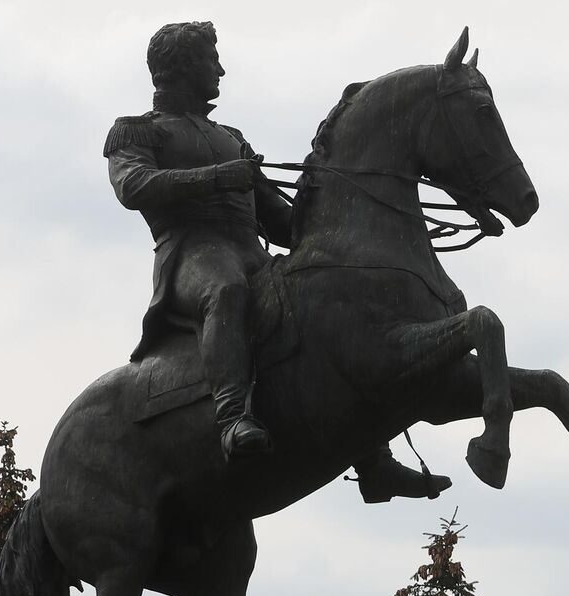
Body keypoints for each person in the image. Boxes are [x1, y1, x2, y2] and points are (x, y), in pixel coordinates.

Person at [106, 21, 443, 499]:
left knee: (329, 307)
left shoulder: (230, 136)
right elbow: (134, 187)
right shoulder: (137, 132)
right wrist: (222, 177)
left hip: (250, 251)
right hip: (192, 255)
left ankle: (375, 462)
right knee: (227, 290)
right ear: (182, 66)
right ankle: (231, 418)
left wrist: (352, 214)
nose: (220, 70)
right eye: (210, 59)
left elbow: (282, 224)